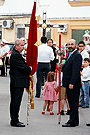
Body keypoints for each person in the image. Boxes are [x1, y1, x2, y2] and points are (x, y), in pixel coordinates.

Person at [10, 39, 32, 127]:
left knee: (16, 101)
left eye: (24, 45)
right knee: (16, 102)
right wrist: (30, 68)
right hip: (17, 82)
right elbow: (23, 67)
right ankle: (14, 120)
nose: (23, 47)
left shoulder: (17, 54)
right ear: (17, 46)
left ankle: (15, 119)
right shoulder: (15, 55)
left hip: (18, 82)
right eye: (22, 45)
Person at [62, 39, 82, 127]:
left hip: (73, 83)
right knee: (71, 102)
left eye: (72, 44)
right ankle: (75, 120)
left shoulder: (77, 55)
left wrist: (72, 83)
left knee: (73, 103)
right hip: (68, 82)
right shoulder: (70, 54)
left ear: (75, 45)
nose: (70, 45)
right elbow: (68, 67)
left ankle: (72, 121)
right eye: (69, 44)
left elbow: (76, 71)